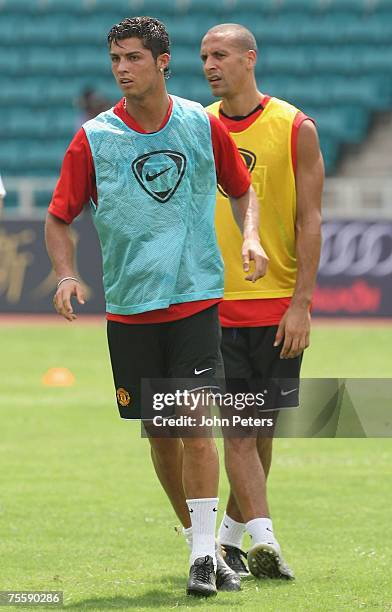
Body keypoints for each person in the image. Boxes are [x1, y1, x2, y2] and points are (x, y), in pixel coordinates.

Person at [45, 17, 268, 598]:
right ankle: (204, 544)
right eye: (116, 58)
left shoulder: (199, 123)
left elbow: (243, 187)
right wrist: (67, 274)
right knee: (160, 433)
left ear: (163, 62)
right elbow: (58, 217)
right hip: (129, 308)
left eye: (134, 58)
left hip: (194, 300)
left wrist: (251, 236)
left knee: (195, 423)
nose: (122, 68)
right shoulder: (93, 138)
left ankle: (202, 555)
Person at [200, 24, 324, 579]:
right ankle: (267, 543)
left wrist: (302, 303)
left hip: (277, 310)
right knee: (242, 433)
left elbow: (310, 220)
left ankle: (228, 542)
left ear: (250, 59)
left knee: (260, 433)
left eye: (220, 54)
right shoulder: (195, 125)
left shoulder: (295, 127)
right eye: (204, 56)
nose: (210, 64)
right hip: (215, 305)